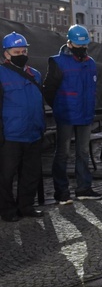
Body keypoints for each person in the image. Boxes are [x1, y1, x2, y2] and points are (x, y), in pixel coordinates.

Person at [43, 25, 102, 204]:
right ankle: (62, 192)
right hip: (66, 115)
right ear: (69, 43)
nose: (82, 48)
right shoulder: (58, 62)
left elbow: (94, 88)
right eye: (78, 45)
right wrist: (59, 106)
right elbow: (49, 89)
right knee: (62, 153)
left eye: (84, 45)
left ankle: (84, 188)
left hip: (84, 115)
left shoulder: (90, 63)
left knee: (83, 152)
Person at [0, 32, 45, 221]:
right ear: (6, 54)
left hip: (33, 132)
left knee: (31, 174)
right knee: (5, 176)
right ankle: (7, 210)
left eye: (24, 50)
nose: (21, 54)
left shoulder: (35, 74)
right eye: (16, 51)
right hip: (11, 134)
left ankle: (26, 206)